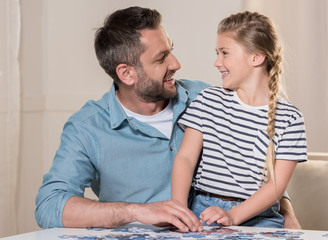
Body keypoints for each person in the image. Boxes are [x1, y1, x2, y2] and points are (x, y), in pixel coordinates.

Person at [35, 6, 301, 232]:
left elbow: (257, 161)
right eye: (162, 58)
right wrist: (136, 212)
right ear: (127, 74)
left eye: (171, 50)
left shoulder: (205, 97)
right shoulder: (87, 128)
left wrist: (284, 212)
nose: (176, 63)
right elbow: (49, 207)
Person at [171, 11, 307, 228]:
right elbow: (185, 158)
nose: (217, 62)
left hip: (260, 217)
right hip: (203, 210)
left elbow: (276, 186)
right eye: (217, 53)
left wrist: (233, 216)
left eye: (225, 53)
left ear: (256, 57)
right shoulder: (208, 100)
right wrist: (178, 209)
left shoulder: (290, 118)